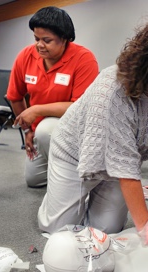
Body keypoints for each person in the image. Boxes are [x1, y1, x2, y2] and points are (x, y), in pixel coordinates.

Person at [37, 23, 148, 244]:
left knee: (106, 231)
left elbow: (124, 164)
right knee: (60, 232)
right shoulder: (114, 89)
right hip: (74, 153)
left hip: (119, 164)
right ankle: (56, 196)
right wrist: (145, 229)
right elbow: (126, 169)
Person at [6, 6, 99, 187]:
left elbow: (81, 107)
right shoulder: (26, 56)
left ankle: (72, 178)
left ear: (64, 39)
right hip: (40, 132)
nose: (39, 45)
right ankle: (60, 172)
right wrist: (28, 131)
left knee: (46, 128)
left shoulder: (84, 58)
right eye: (36, 38)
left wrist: (37, 110)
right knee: (34, 181)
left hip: (73, 129)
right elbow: (15, 97)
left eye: (47, 40)